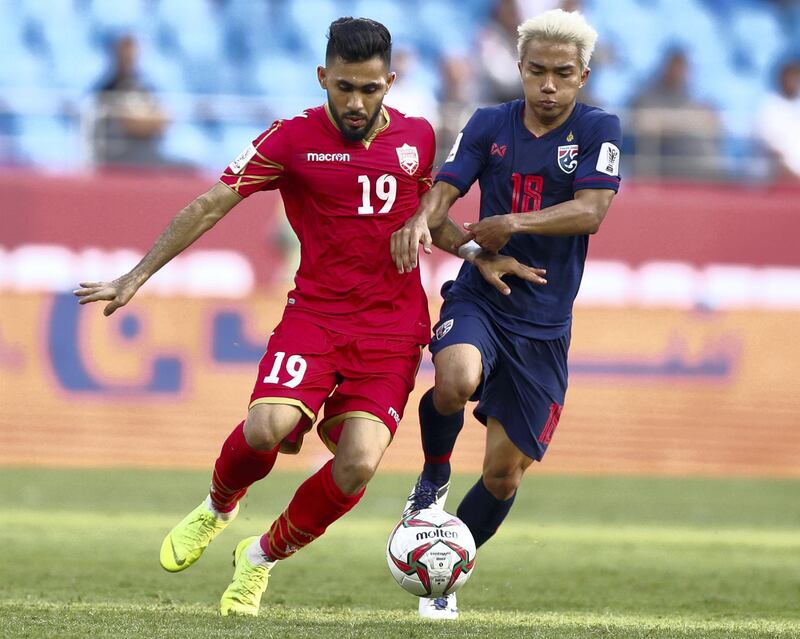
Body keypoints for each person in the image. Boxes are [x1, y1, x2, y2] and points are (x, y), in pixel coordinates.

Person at [74, 17, 539, 617]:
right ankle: (218, 505)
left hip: (392, 329)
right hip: (315, 317)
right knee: (266, 428)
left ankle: (259, 559)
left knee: (358, 465)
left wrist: (474, 253)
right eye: (343, 87)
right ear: (322, 77)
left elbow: (432, 218)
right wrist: (136, 275)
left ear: (390, 83)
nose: (355, 101)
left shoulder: (419, 138)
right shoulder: (289, 139)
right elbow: (213, 203)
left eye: (369, 89)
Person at [390, 8, 621, 620]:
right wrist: (456, 239)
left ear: (583, 76)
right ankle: (430, 484)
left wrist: (510, 223)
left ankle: (443, 570)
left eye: (562, 74)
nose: (548, 85)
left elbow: (592, 210)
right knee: (456, 377)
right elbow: (443, 197)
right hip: (481, 296)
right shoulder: (490, 122)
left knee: (502, 476)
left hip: (544, 324)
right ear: (519, 68)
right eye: (537, 71)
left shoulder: (600, 128)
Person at [93, 34, 172, 168]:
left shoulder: (145, 85)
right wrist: (146, 122)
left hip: (147, 151)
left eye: (133, 53)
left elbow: (164, 120)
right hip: (120, 155)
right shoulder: (108, 88)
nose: (130, 57)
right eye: (126, 53)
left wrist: (145, 122)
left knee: (189, 168)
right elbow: (129, 124)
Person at [756, 57, 800, 180]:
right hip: (778, 171)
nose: (793, 82)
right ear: (781, 79)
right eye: (790, 78)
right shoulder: (770, 105)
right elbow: (767, 142)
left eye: (796, 78)